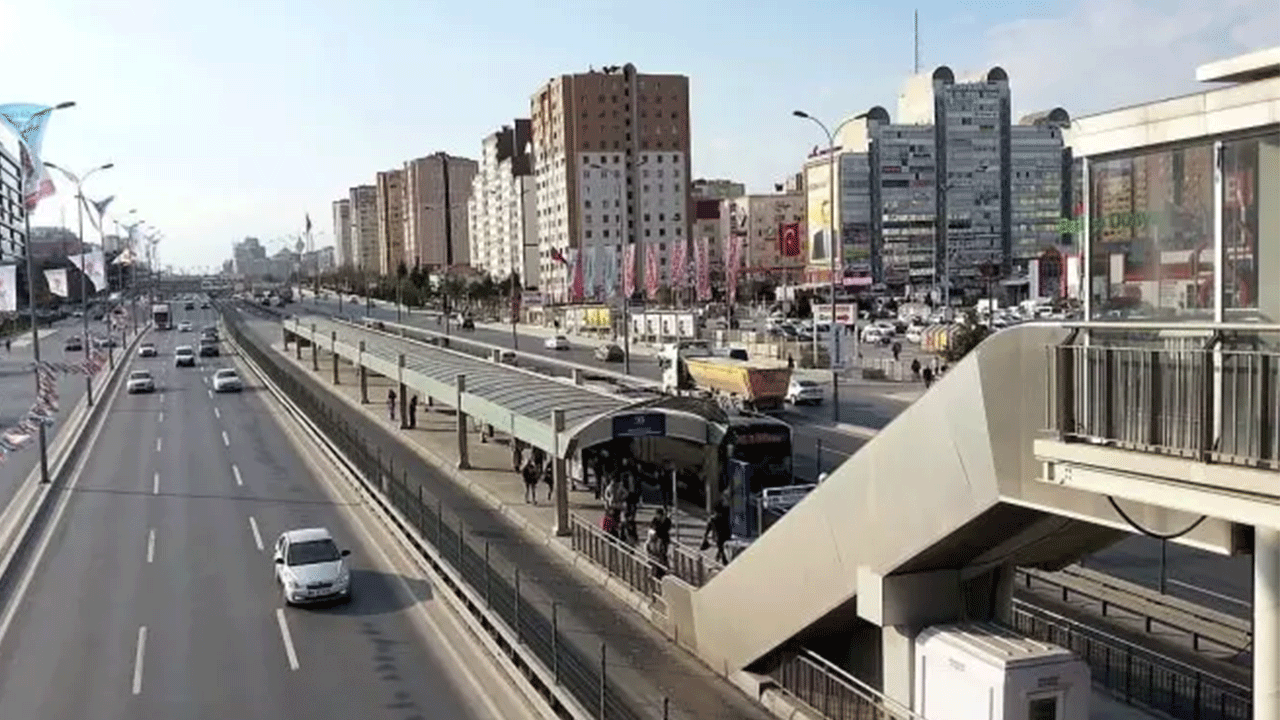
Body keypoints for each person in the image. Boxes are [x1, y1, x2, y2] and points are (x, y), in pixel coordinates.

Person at [701, 498, 732, 565]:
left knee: (720, 547)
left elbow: (708, 528)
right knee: (720, 547)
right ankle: (719, 559)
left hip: (719, 536)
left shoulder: (713, 519)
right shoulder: (725, 516)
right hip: (725, 534)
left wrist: (705, 536)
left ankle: (722, 560)